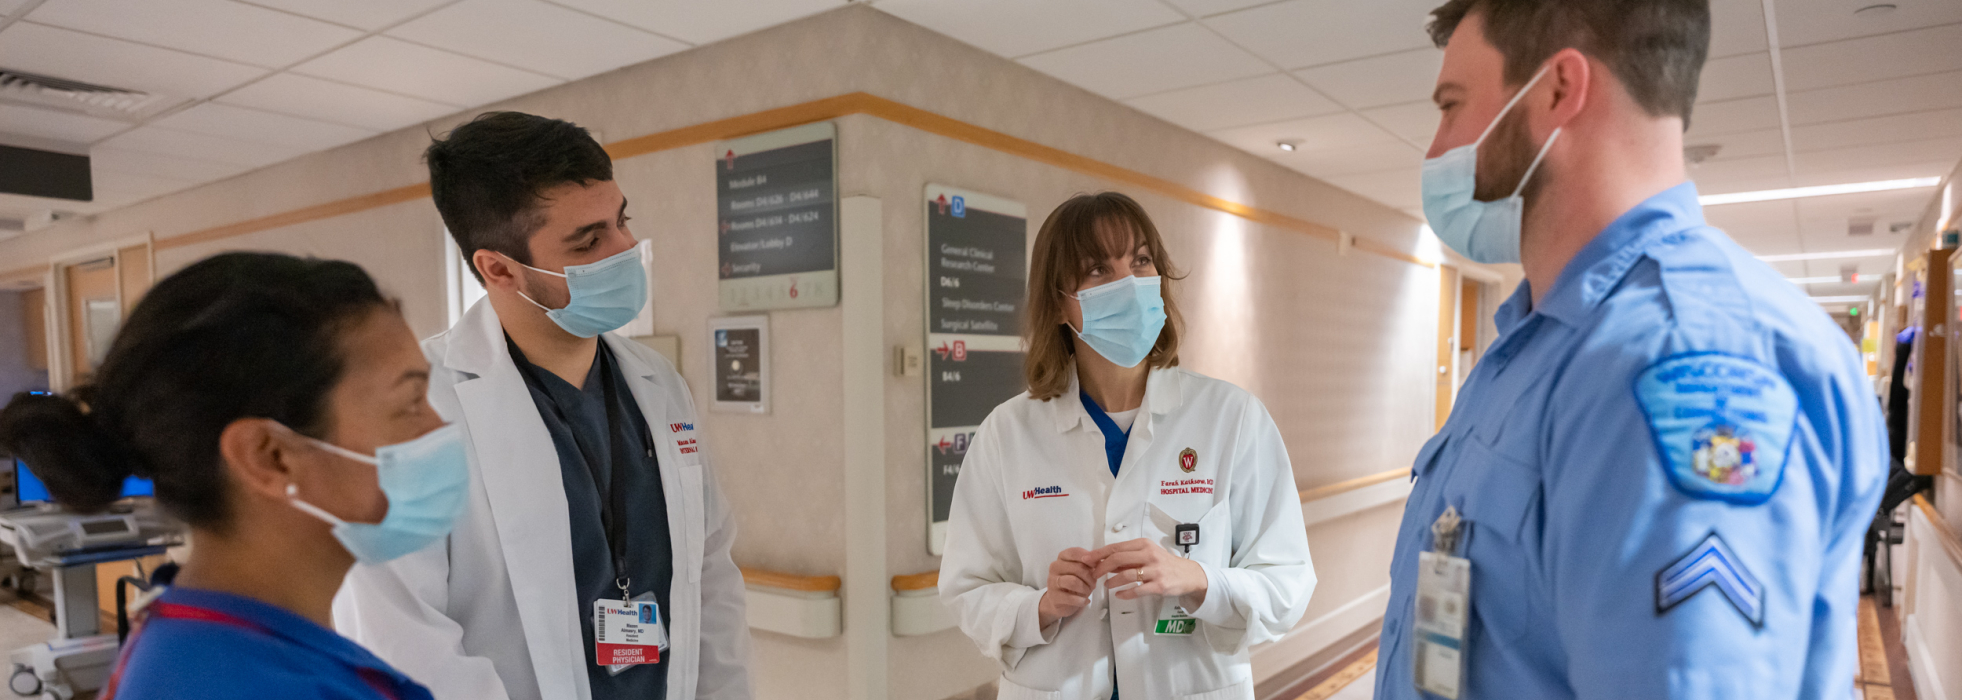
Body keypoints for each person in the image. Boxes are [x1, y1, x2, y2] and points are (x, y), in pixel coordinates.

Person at [1376, 1, 1886, 698]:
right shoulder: (1533, 346)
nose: (1436, 150)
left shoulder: (1680, 365)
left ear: (1558, 89)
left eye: (1451, 106)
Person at [333, 112, 751, 700]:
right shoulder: (413, 406)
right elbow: (399, 634)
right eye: (588, 240)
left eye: (621, 220)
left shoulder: (658, 383)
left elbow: (709, 573)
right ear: (498, 268)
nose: (625, 248)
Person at [0, 252, 461, 699]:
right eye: (411, 403)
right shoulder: (247, 685)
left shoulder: (218, 641)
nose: (439, 429)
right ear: (270, 456)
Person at [939, 192, 1315, 700]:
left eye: (1140, 261)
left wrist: (1200, 578)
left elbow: (1287, 582)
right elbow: (967, 589)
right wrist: (1040, 607)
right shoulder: (1007, 434)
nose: (1129, 283)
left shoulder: (1233, 418)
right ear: (1057, 303)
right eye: (1098, 269)